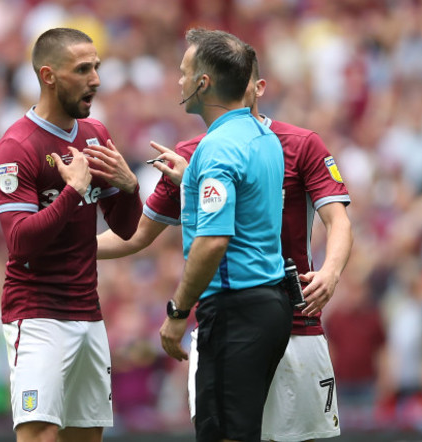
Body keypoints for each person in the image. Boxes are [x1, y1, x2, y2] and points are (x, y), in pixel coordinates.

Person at [97, 47, 353, 441]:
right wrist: (67, 246)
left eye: (185, 73)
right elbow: (138, 235)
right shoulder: (195, 154)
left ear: (256, 86)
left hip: (289, 320)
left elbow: (339, 221)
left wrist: (331, 272)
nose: (178, 81)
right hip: (248, 315)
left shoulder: (299, 144)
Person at [0, 28, 142, 442]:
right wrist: (73, 191)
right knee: (40, 435)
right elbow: (20, 241)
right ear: (48, 75)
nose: (95, 79)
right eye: (83, 69)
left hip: (88, 315)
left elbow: (127, 229)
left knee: (85, 438)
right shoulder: (17, 146)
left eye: (97, 67)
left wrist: (130, 188)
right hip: (37, 314)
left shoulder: (96, 135)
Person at [156, 28, 291, 441]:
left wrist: (178, 314)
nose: (178, 81)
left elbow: (214, 240)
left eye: (184, 72)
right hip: (269, 304)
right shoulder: (262, 136)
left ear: (203, 82)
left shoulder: (217, 149)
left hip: (236, 310)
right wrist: (192, 180)